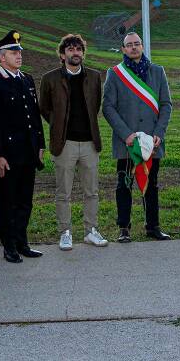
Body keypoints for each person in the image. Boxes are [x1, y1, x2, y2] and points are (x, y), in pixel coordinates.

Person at [0, 30, 46, 263]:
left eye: (19, 51)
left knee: (25, 200)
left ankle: (22, 242)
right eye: (13, 52)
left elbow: (35, 117)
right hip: (9, 154)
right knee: (8, 201)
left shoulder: (26, 79)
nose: (18, 55)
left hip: (28, 151)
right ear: (1, 57)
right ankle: (9, 246)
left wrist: (40, 144)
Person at [39, 34, 109, 251]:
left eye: (79, 49)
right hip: (64, 143)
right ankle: (65, 232)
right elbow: (44, 108)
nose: (75, 52)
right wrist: (58, 125)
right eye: (70, 49)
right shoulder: (50, 79)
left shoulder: (94, 77)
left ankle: (91, 231)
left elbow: (95, 104)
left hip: (89, 143)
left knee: (92, 191)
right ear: (62, 54)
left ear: (83, 53)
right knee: (64, 193)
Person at [103, 32, 174, 243]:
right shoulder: (115, 74)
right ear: (123, 49)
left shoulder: (157, 71)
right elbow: (108, 107)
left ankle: (153, 226)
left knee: (151, 185)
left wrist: (158, 134)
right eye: (129, 45)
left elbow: (166, 105)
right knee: (124, 185)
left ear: (142, 47)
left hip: (152, 142)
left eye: (137, 44)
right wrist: (126, 135)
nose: (133, 48)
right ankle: (124, 228)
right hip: (128, 143)